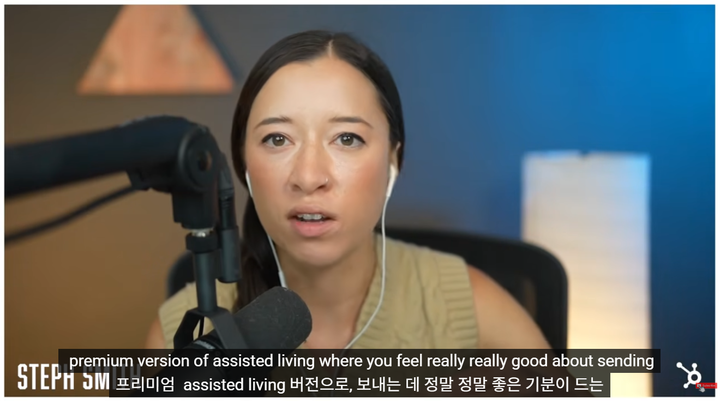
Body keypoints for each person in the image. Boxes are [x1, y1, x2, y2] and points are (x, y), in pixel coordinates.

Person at [145, 30, 550, 351]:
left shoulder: (469, 307)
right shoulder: (181, 335)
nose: (309, 176)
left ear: (393, 160)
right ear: (244, 164)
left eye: (347, 139)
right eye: (277, 139)